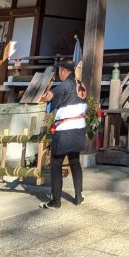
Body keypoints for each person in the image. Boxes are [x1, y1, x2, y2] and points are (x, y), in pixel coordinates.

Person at [39, 57, 87, 209]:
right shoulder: (81, 84)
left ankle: (56, 200)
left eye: (59, 70)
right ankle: (78, 196)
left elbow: (51, 100)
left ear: (63, 70)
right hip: (79, 127)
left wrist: (47, 97)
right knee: (74, 160)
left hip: (65, 128)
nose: (59, 73)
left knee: (56, 162)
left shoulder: (64, 85)